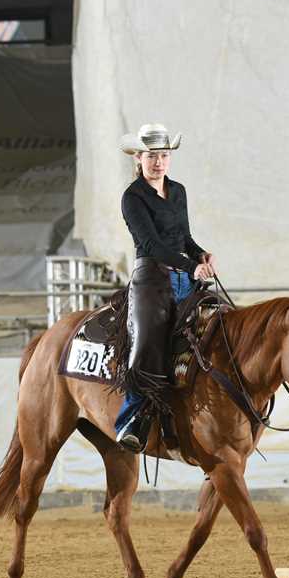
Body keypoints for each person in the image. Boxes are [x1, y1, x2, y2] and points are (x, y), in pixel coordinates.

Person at [114, 123, 216, 453]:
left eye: (163, 155)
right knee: (147, 340)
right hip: (151, 277)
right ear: (138, 158)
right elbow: (151, 244)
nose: (158, 162)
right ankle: (131, 420)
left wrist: (200, 253)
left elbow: (184, 238)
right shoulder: (133, 197)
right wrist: (191, 266)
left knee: (217, 325)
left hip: (185, 275)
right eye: (151, 156)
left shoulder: (178, 191)